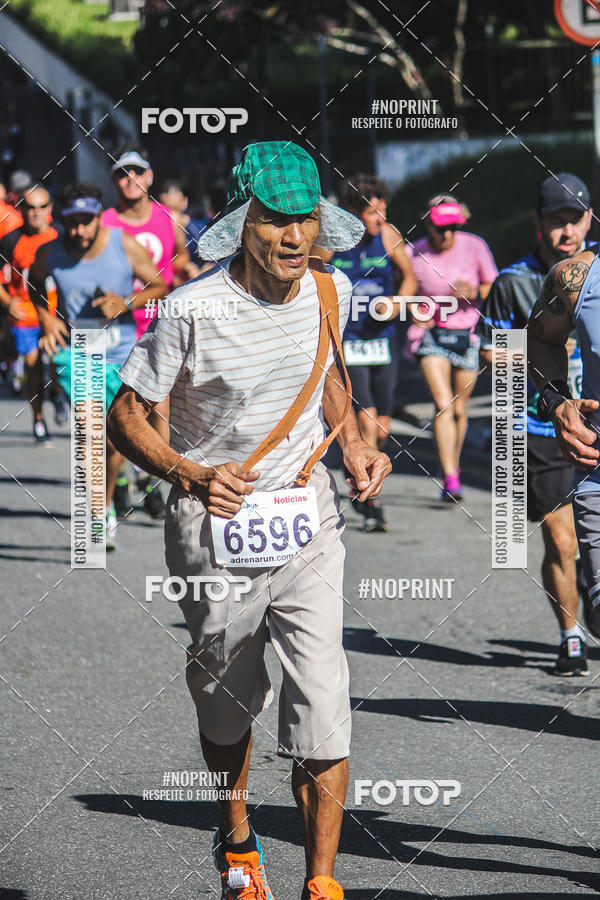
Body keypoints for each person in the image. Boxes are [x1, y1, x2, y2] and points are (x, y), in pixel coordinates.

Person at [107, 141, 391, 900]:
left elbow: (329, 375)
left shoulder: (330, 293)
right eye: (275, 221)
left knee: (323, 696)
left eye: (304, 220)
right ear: (243, 224)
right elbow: (124, 416)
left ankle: (321, 883)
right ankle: (236, 834)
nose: (294, 237)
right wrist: (190, 473)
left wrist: (357, 445)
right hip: (213, 522)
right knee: (226, 699)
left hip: (307, 517)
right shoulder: (191, 310)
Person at [479, 172, 598, 674]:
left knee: (580, 548)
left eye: (574, 220)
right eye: (555, 221)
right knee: (560, 538)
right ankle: (571, 633)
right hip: (538, 427)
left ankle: (590, 604)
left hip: (590, 434)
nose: (565, 231)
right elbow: (490, 354)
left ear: (588, 219)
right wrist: (542, 365)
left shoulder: (587, 272)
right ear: (538, 224)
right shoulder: (513, 282)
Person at [29, 182, 166, 548]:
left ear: (97, 217)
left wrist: (126, 301)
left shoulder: (123, 244)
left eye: (87, 221)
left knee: (115, 441)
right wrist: (46, 318)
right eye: (73, 222)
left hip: (123, 353)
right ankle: (95, 512)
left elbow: (160, 284)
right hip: (82, 352)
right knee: (92, 434)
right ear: (62, 220)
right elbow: (35, 282)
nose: (80, 231)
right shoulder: (50, 253)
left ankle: (104, 503)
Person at [103, 147, 196, 518]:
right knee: (123, 410)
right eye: (123, 174)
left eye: (137, 172)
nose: (131, 179)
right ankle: (121, 478)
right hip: (122, 329)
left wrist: (187, 271)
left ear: (149, 177)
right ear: (114, 182)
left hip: (164, 325)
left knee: (161, 410)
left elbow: (182, 258)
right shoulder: (106, 222)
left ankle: (153, 479)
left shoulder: (168, 218)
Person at [325, 174, 417, 532]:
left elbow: (409, 277)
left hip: (383, 337)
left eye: (383, 209)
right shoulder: (339, 240)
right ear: (355, 212)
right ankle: (369, 497)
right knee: (366, 417)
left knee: (384, 422)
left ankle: (365, 468)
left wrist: (398, 302)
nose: (380, 217)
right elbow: (317, 271)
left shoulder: (390, 235)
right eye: (372, 212)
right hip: (352, 340)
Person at [408, 194, 497, 501]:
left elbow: (494, 287)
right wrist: (416, 312)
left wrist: (474, 290)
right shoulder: (413, 253)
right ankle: (449, 476)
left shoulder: (475, 246)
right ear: (428, 224)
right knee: (443, 402)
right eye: (439, 228)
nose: (445, 234)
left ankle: (454, 468)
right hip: (432, 335)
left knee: (459, 408)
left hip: (468, 334)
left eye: (452, 228)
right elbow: (402, 292)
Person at [0, 183, 67, 443]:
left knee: (59, 364)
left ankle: (59, 394)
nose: (36, 213)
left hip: (56, 314)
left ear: (49, 209)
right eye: (30, 208)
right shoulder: (10, 240)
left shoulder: (61, 235)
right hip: (26, 314)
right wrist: (7, 303)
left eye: (41, 207)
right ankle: (38, 420)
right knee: (32, 366)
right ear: (22, 210)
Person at [158, 175, 209, 270]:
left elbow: (213, 262)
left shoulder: (198, 228)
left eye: (177, 193)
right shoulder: (157, 228)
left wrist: (201, 272)